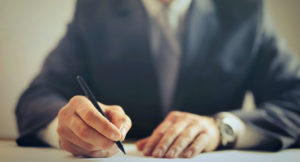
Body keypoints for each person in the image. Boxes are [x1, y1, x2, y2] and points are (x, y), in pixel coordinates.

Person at [15, 0, 300, 158]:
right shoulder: (94, 9)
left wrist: (222, 129)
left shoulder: (245, 11)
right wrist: (69, 128)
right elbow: (35, 99)